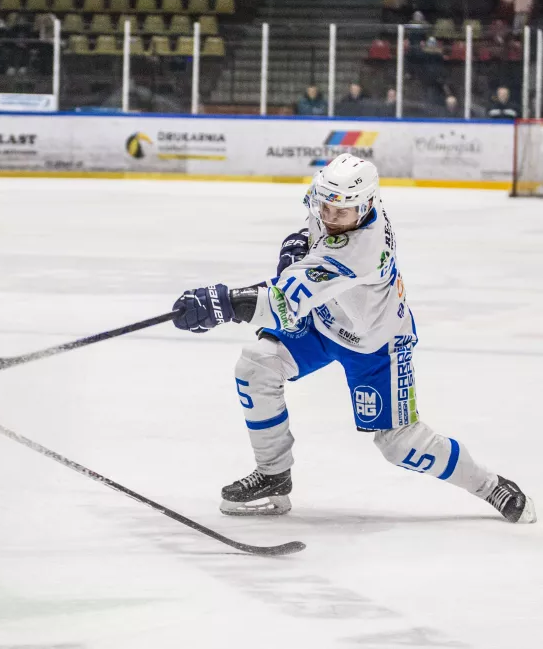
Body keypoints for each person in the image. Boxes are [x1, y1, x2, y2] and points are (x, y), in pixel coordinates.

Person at [171, 154, 535, 525]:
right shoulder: (336, 199)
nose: (330, 218)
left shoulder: (362, 250)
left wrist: (222, 304)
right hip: (324, 318)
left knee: (399, 443)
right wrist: (298, 243)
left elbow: (281, 304)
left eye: (341, 213)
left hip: (376, 342)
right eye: (326, 208)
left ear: (365, 206)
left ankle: (489, 485)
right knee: (256, 365)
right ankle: (273, 474)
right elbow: (311, 234)